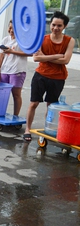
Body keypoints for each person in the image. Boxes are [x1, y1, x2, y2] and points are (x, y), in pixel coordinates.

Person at [24, 11, 75, 141]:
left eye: (59, 26)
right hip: (41, 75)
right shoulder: (42, 38)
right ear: (50, 24)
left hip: (58, 78)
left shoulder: (70, 41)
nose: (55, 28)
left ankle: (47, 129)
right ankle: (27, 129)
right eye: (53, 25)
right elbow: (36, 58)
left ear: (64, 26)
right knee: (33, 103)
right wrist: (57, 56)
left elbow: (66, 61)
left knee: (51, 105)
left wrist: (44, 57)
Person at [0, 20, 30, 117]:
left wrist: (12, 52)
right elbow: (0, 57)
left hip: (17, 71)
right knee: (2, 95)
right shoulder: (5, 39)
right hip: (5, 70)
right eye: (10, 28)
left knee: (16, 95)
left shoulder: (23, 40)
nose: (11, 30)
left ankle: (15, 116)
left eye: (14, 29)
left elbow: (30, 53)